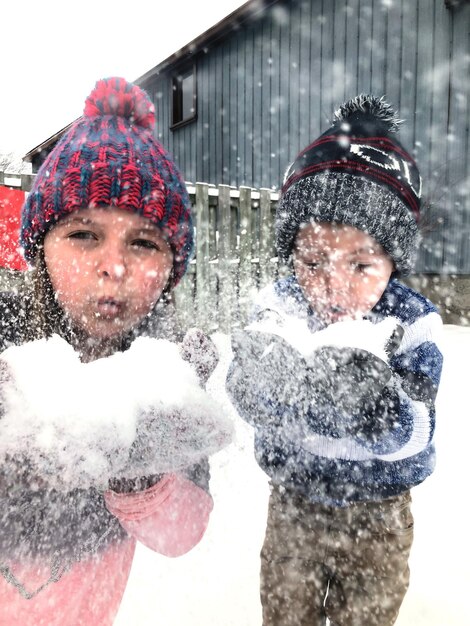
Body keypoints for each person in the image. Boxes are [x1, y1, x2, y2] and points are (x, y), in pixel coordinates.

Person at [0, 76, 232, 625]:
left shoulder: (164, 380)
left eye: (144, 242)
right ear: (41, 249)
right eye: (83, 234)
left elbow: (182, 535)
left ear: (169, 272)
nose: (115, 266)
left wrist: (141, 469)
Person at [226, 94, 444, 625]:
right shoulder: (280, 307)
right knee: (285, 613)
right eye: (313, 261)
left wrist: (379, 409)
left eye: (361, 264)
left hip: (379, 514)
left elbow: (420, 429)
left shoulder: (411, 324)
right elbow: (244, 390)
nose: (333, 286)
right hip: (294, 505)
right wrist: (258, 382)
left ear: (394, 262)